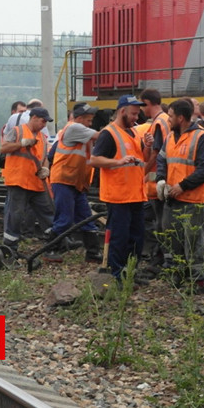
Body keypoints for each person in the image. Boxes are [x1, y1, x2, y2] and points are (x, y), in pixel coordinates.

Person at [89, 95, 153, 278]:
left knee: (136, 237)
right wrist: (118, 162)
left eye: (137, 114)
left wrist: (148, 146)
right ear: (122, 111)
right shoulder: (109, 133)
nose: (136, 118)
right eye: (133, 114)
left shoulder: (133, 133)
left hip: (136, 194)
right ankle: (117, 273)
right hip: (118, 196)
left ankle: (130, 272)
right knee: (120, 237)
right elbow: (94, 160)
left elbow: (143, 159)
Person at [155, 98, 204, 280]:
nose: (168, 119)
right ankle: (177, 276)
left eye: (171, 116)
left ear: (180, 118)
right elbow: (161, 159)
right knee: (173, 239)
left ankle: (197, 279)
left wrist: (182, 186)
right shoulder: (170, 137)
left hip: (193, 201)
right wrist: (161, 179)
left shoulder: (201, 137)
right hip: (172, 199)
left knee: (194, 242)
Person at [48, 102, 102, 261]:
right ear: (79, 118)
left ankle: (92, 253)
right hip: (64, 179)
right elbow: (101, 136)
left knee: (86, 218)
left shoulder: (82, 133)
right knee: (65, 219)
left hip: (76, 182)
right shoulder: (74, 127)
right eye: (88, 120)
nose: (90, 124)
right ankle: (50, 250)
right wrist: (116, 128)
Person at [0, 107, 55, 248]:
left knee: (47, 211)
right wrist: (22, 144)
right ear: (34, 118)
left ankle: (56, 242)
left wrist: (45, 168)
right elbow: (4, 148)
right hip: (18, 180)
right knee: (16, 215)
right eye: (43, 121)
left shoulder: (42, 137)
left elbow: (45, 157)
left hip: (36, 182)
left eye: (45, 122)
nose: (44, 125)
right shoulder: (18, 131)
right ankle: (10, 246)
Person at [139, 88, 170, 267]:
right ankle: (162, 256)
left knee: (160, 222)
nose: (141, 109)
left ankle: (160, 257)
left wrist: (142, 172)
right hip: (163, 178)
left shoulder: (159, 123)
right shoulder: (165, 120)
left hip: (157, 181)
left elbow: (157, 153)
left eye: (142, 105)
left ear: (147, 103)